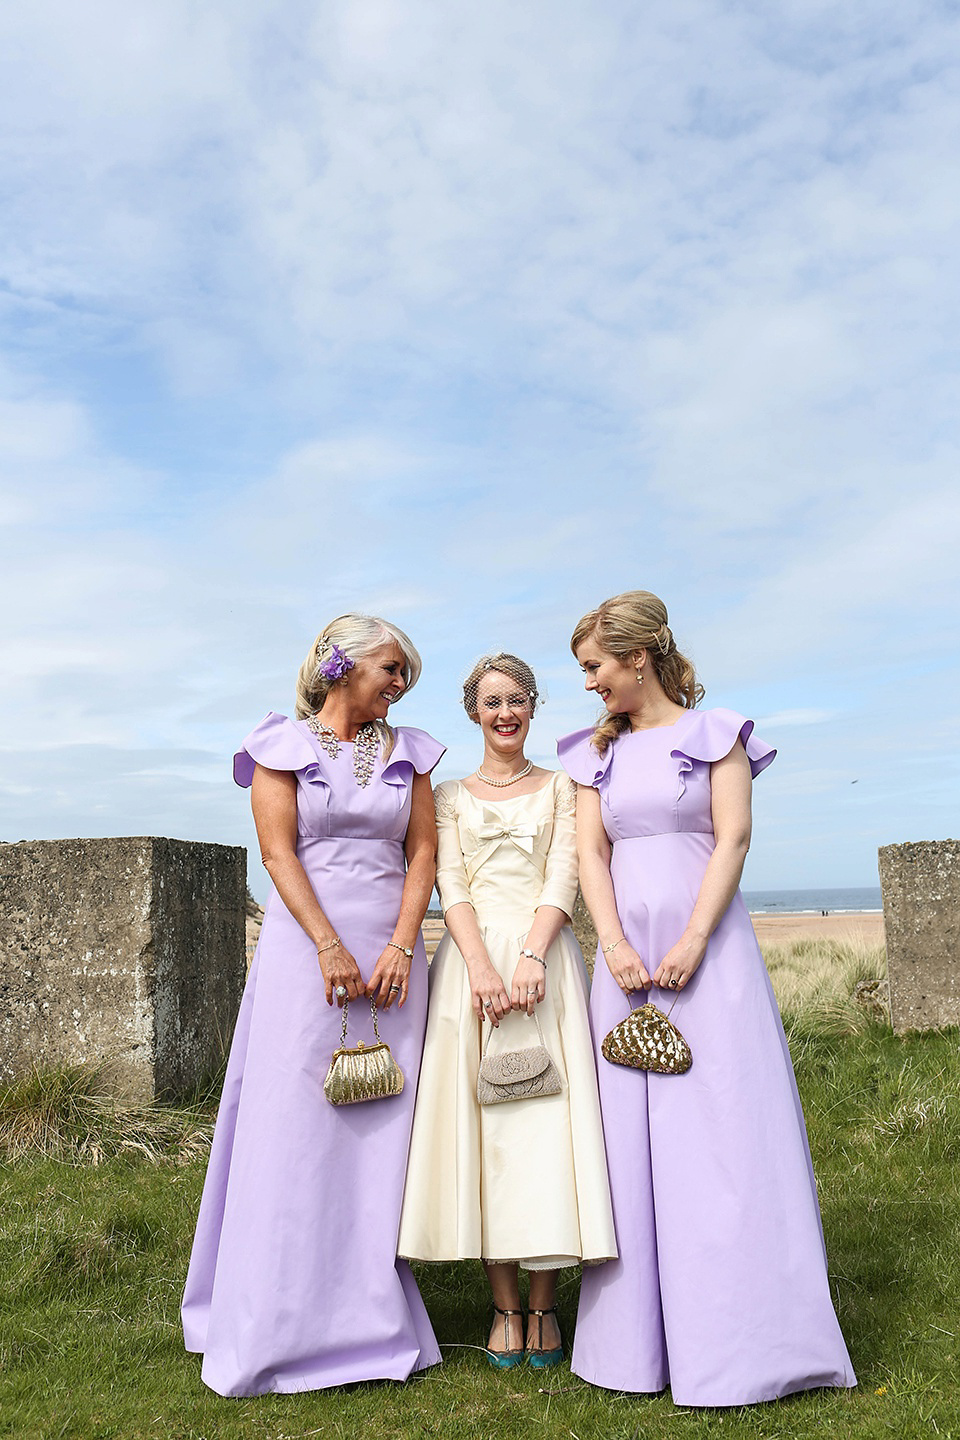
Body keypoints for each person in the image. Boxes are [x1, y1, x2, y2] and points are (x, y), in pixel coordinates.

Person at [558, 591, 856, 1407]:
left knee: (725, 1131)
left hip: (709, 951)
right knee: (631, 1147)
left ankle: (744, 1337)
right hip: (622, 968)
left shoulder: (715, 732)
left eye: (594, 667)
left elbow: (734, 838)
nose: (587, 684)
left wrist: (691, 938)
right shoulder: (593, 755)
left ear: (638, 658)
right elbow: (590, 855)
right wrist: (612, 945)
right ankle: (632, 1349)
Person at [182, 613, 445, 1395]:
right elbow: (276, 853)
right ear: (342, 666)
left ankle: (373, 1315)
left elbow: (423, 852)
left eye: (406, 676)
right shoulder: (279, 747)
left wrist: (402, 943)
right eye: (392, 669)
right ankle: (276, 1316)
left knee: (380, 1133)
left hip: (394, 960)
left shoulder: (411, 753)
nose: (400, 686)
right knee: (294, 1129)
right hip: (308, 952)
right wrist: (329, 944)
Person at [398, 653, 616, 1369]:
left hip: (544, 961)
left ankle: (546, 1305)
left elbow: (566, 872)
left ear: (533, 706)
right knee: (484, 1133)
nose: (505, 713)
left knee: (546, 1129)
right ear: (473, 711)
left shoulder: (562, 786)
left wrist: (530, 956)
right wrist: (484, 967)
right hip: (470, 969)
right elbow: (447, 881)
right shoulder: (452, 794)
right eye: (491, 701)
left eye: (517, 699)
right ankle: (501, 1306)